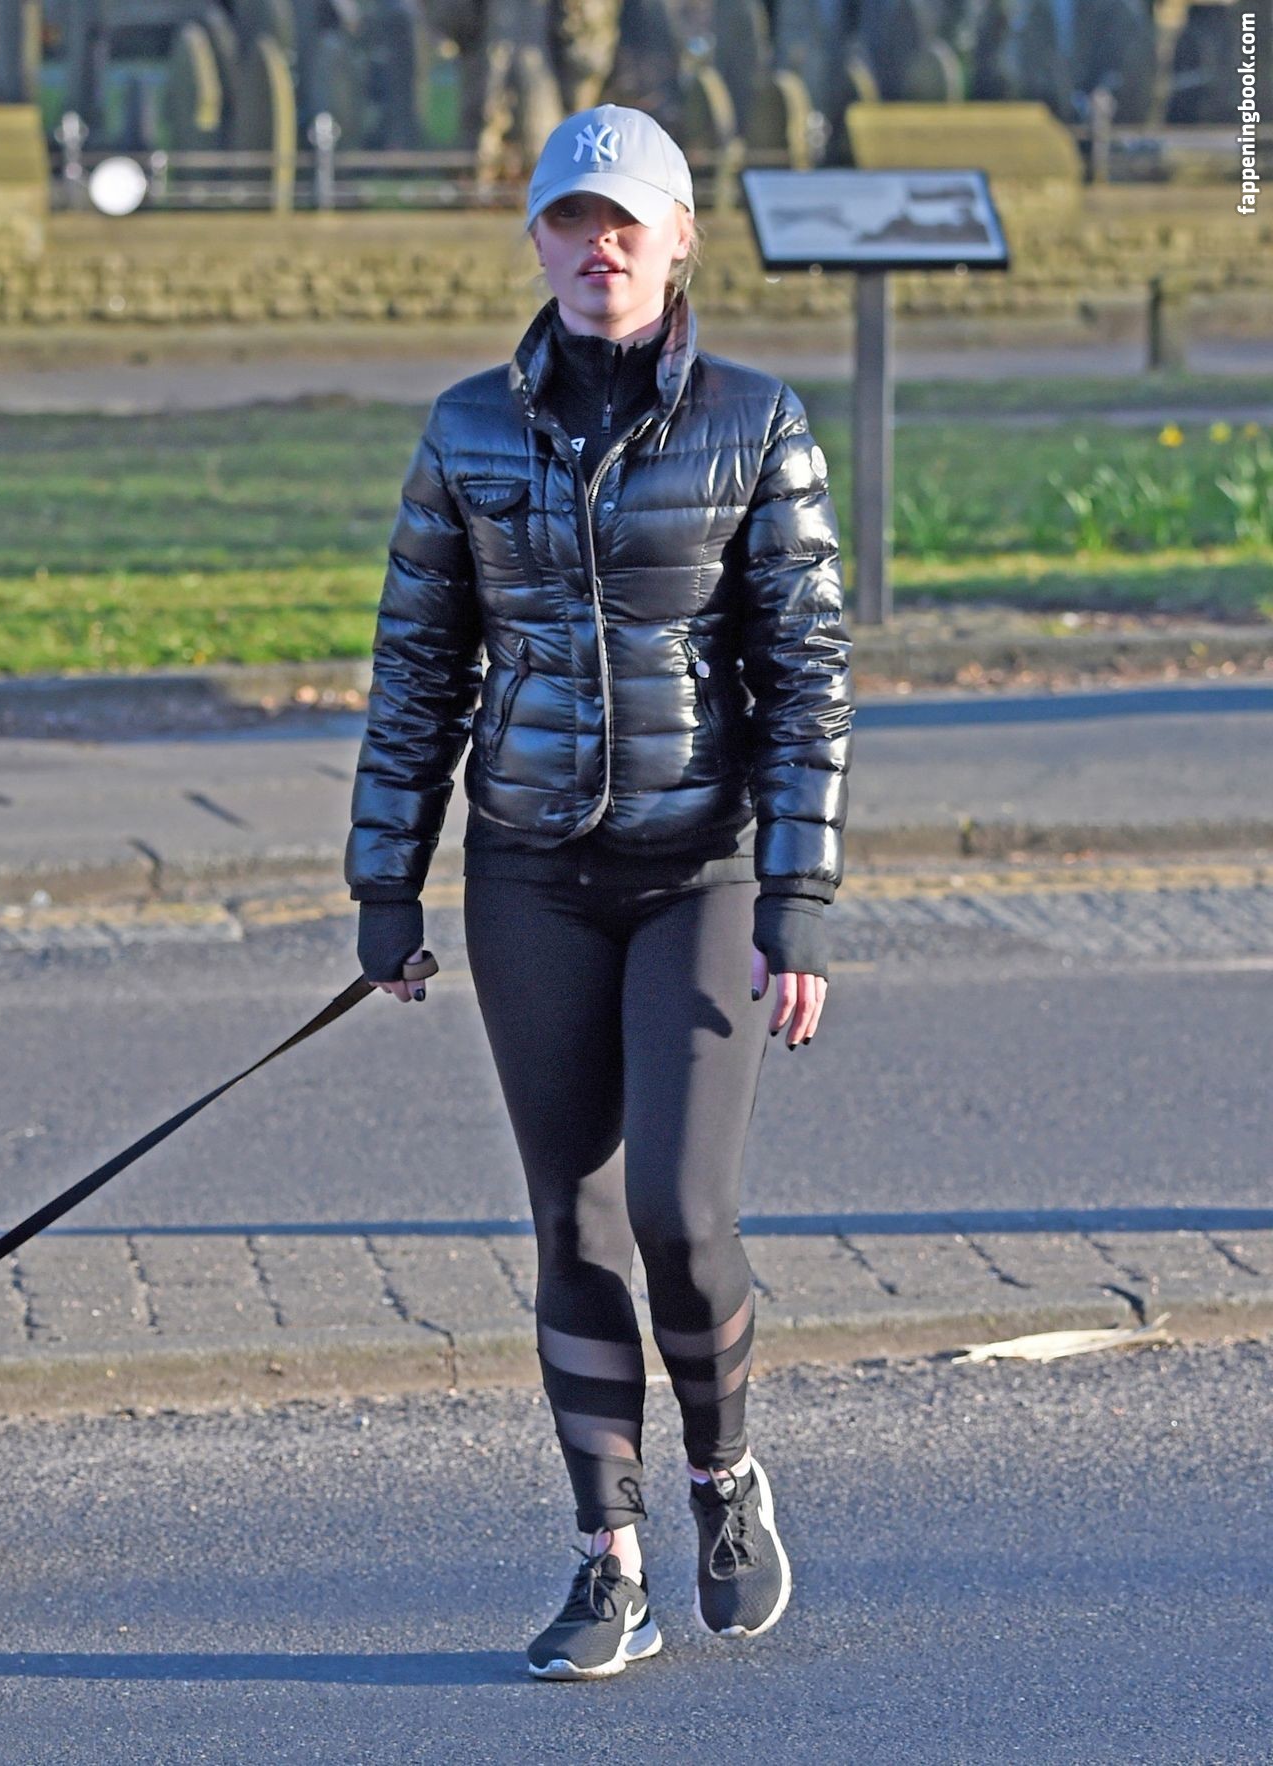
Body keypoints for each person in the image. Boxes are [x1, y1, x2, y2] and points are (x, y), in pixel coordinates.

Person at [345, 104, 852, 1680]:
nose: (599, 246)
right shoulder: (467, 430)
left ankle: (724, 1472)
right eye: (571, 219)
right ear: (540, 241)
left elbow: (808, 676)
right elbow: (418, 667)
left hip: (701, 866)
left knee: (677, 1215)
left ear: (681, 238)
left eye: (627, 220)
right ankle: (607, 1556)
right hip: (528, 871)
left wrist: (799, 892)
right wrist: (385, 880)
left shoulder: (757, 422)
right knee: (570, 1219)